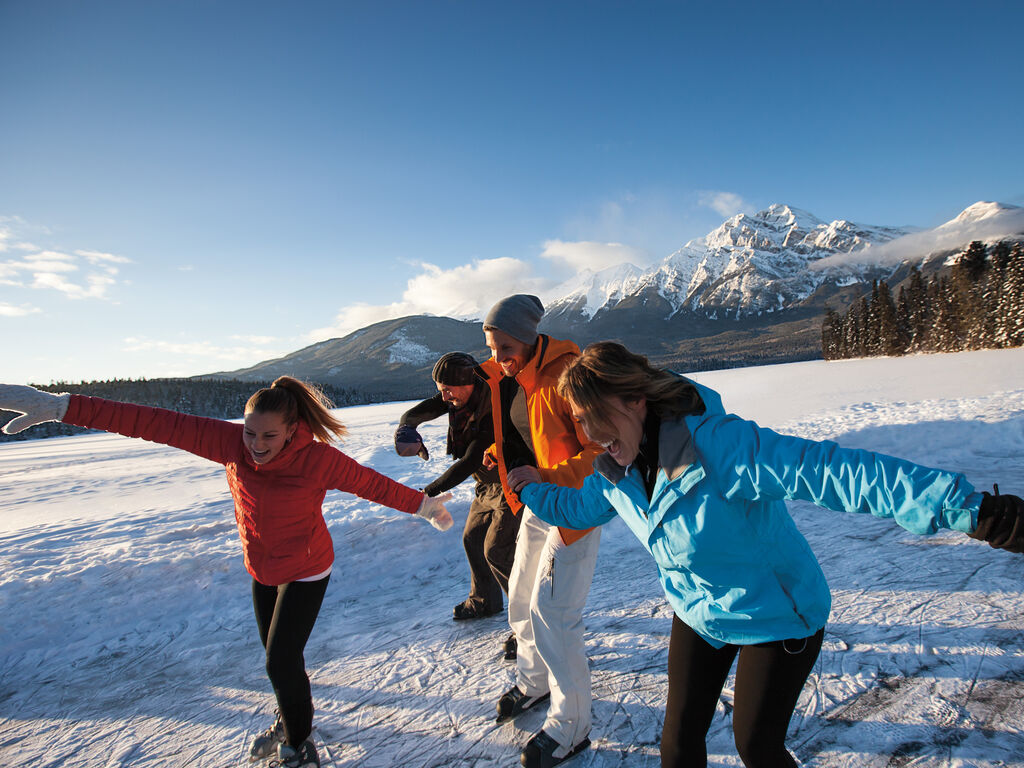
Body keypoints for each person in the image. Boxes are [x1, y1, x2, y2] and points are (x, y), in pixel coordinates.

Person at [505, 341, 1024, 768]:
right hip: (701, 613)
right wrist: (529, 487)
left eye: (595, 418)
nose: (590, 437)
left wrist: (969, 511)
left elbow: (835, 473)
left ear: (635, 399)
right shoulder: (613, 471)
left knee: (757, 746)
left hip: (778, 618)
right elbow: (577, 507)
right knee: (677, 748)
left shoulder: (722, 447)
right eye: (579, 422)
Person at [0, 378, 453, 768]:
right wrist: (62, 406)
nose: (255, 445)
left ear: (293, 430)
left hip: (308, 570)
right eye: (250, 432)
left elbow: (370, 484)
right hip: (262, 569)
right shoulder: (228, 442)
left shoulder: (317, 460)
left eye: (269, 436)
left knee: (280, 659)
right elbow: (151, 421)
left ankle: (299, 743)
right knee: (280, 663)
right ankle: (289, 713)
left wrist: (425, 505)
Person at [477, 295, 602, 768]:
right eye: (491, 347)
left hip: (574, 507)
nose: (497, 358)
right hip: (539, 500)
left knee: (554, 613)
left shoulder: (570, 376)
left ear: (529, 339)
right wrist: (500, 450)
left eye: (505, 347)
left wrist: (546, 477)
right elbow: (534, 432)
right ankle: (533, 682)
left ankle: (572, 726)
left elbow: (602, 451)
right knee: (521, 597)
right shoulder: (520, 377)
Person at [394, 352, 521, 651]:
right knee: (472, 538)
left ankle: (527, 624)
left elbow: (470, 461)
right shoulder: (456, 397)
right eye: (440, 389)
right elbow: (414, 414)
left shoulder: (493, 407)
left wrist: (430, 491)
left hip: (510, 483)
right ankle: (485, 600)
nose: (444, 396)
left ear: (468, 383)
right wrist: (407, 431)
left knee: (498, 551)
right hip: (486, 487)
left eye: (448, 389)